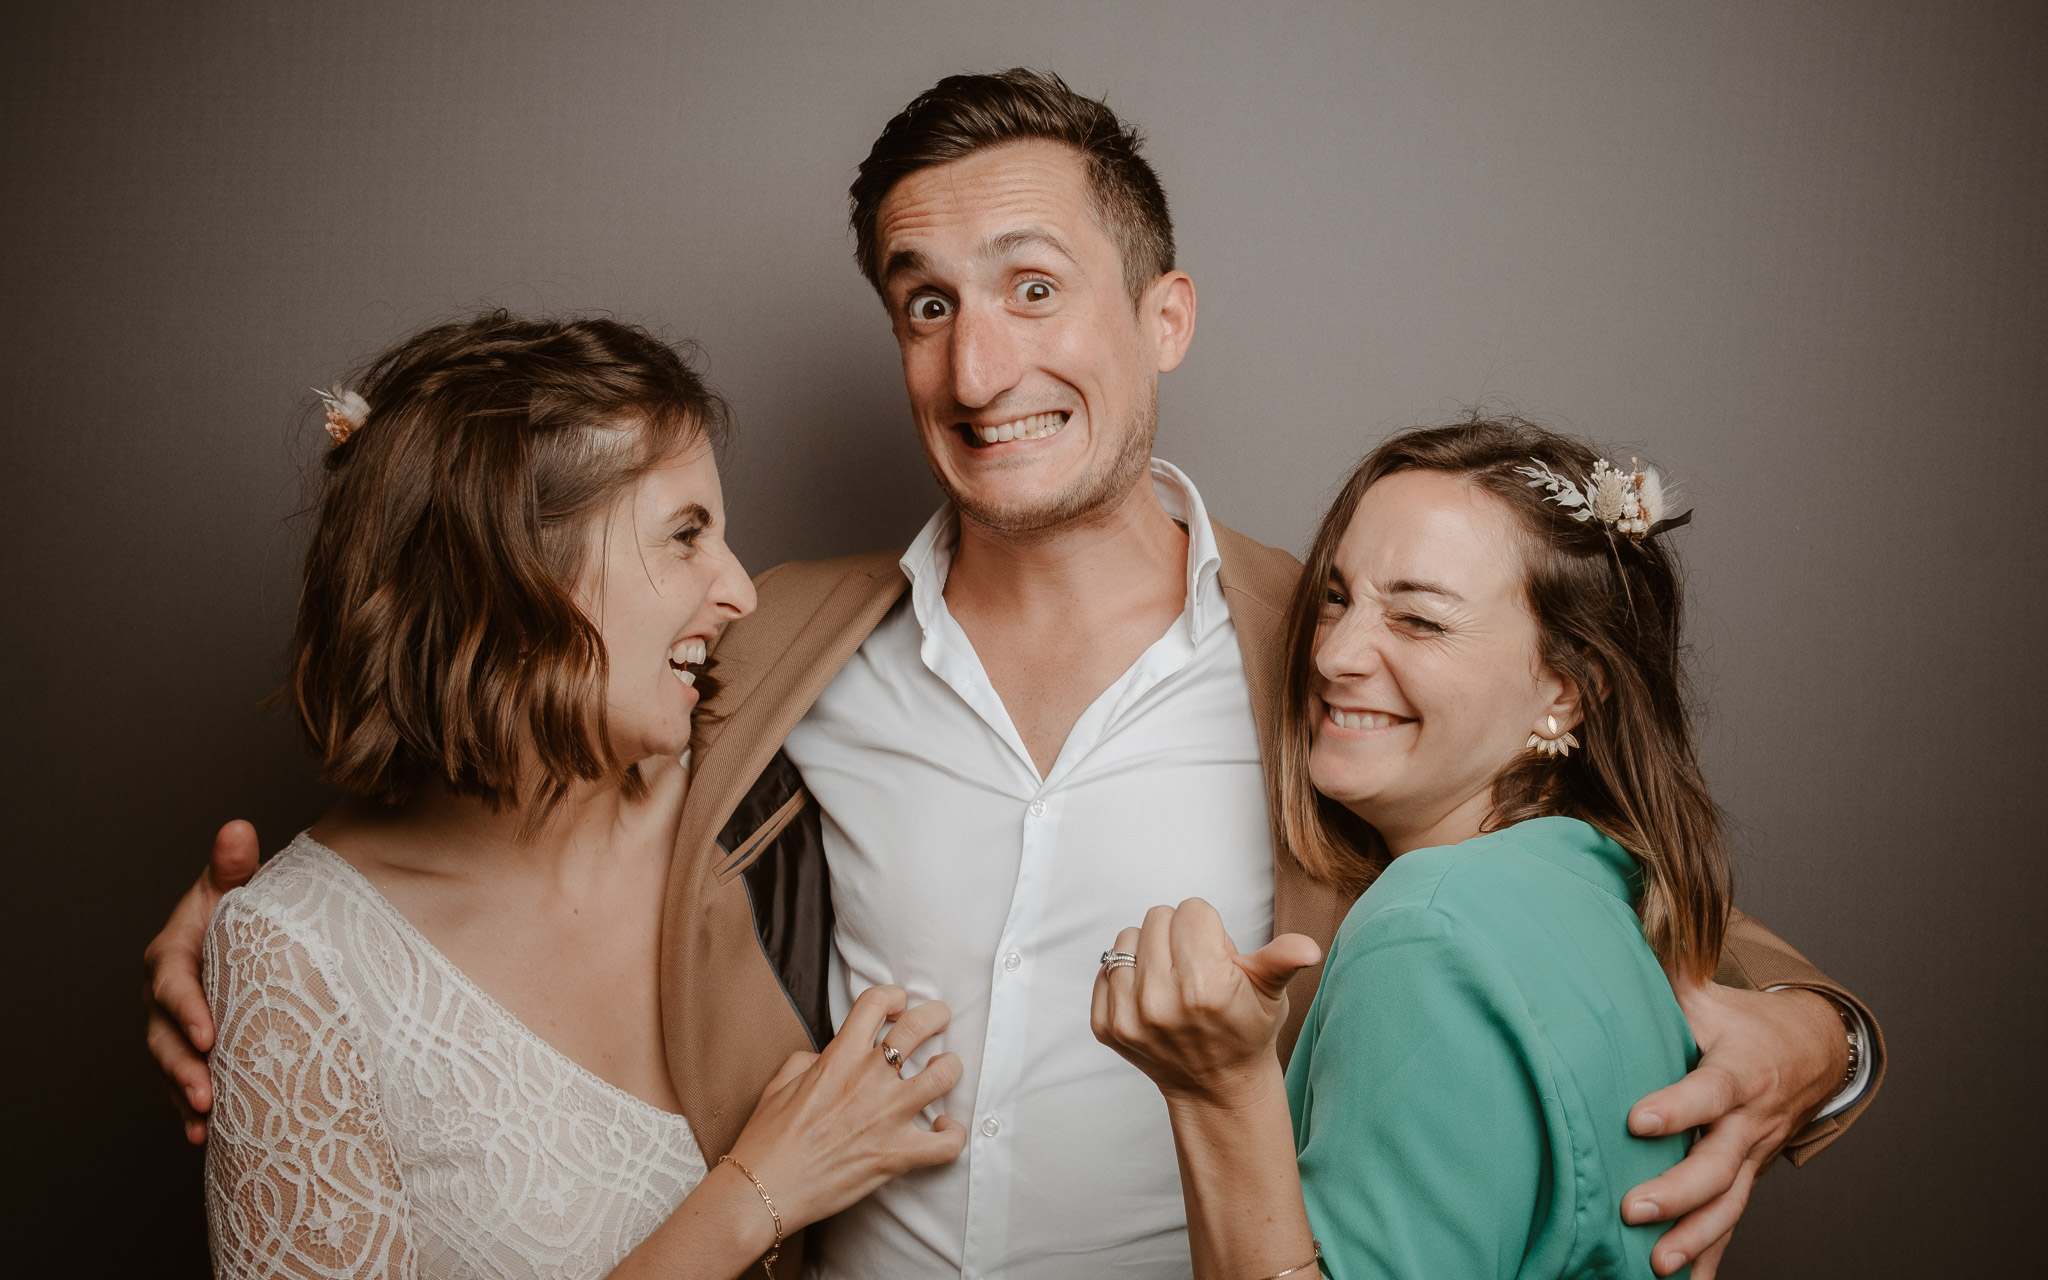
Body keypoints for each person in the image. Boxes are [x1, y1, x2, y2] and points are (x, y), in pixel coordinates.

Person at [145, 71, 1884, 1279]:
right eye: (922, 303)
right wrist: (264, 959)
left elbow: (1633, 897)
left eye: (1033, 287)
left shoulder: (1338, 661)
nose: (979, 366)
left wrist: (1821, 1046)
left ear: (1163, 318)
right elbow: (498, 757)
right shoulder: (760, 650)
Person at [194, 312, 965, 1278]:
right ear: (513, 578)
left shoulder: (754, 787)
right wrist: (759, 1191)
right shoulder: (300, 954)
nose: (740, 591)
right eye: (685, 535)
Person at [1093, 417, 1865, 1278]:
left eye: (1420, 620)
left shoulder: (1425, 929)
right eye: (1338, 597)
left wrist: (1216, 1093)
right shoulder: (1610, 887)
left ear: (1567, 691)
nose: (1335, 653)